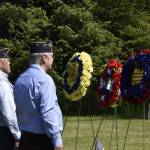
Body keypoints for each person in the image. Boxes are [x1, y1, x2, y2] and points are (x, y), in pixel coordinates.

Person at [14, 41, 63, 150]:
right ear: (44, 58)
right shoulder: (45, 80)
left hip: (24, 138)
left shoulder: (19, 79)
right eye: (52, 56)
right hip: (42, 140)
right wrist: (56, 139)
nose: (53, 59)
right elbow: (47, 111)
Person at [0, 46, 21, 150]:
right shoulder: (3, 84)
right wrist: (17, 136)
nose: (9, 63)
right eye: (7, 60)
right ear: (0, 63)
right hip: (5, 134)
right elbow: (8, 113)